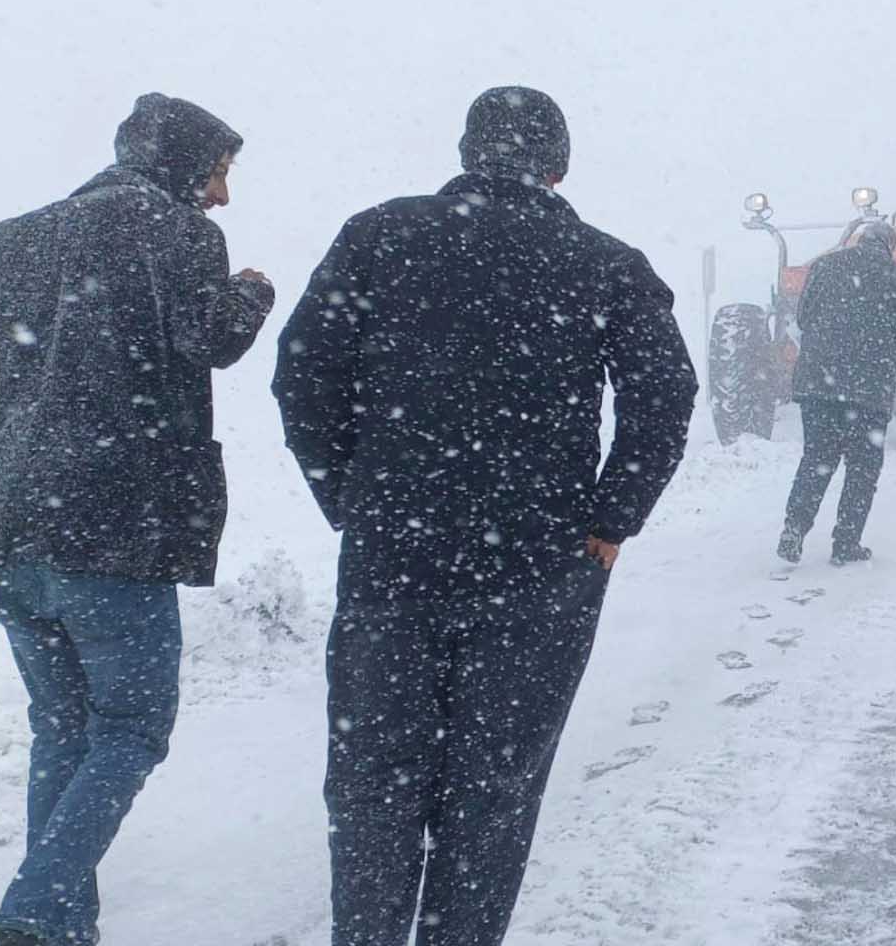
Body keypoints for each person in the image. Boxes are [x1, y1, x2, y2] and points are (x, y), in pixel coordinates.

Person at [272, 86, 697, 946]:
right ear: (559, 164)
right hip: (539, 563)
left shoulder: (379, 236)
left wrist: (350, 495)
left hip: (394, 551)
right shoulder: (604, 261)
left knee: (374, 776)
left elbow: (304, 371)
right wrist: (611, 519)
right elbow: (665, 394)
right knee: (494, 786)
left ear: (469, 152)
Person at [0, 93, 273, 946]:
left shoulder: (11, 237)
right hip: (117, 531)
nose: (222, 195)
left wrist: (22, 432)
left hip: (9, 528)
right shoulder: (182, 235)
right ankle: (31, 918)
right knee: (130, 731)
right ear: (186, 162)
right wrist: (251, 295)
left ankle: (60, 929)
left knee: (65, 730)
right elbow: (210, 339)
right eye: (221, 171)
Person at [777, 220, 896, 565]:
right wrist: (882, 344)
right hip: (869, 390)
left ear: (860, 240)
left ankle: (794, 528)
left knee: (817, 459)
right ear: (889, 246)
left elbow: (803, 316)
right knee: (862, 467)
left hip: (818, 384)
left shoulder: (825, 265)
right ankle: (846, 541)